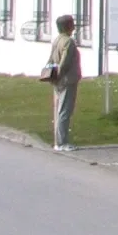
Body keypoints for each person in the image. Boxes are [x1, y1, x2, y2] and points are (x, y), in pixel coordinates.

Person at [46, 13, 82, 151]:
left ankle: (58, 141)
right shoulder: (68, 41)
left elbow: (51, 59)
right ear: (68, 26)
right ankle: (62, 142)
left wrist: (52, 76)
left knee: (58, 110)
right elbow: (65, 62)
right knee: (64, 111)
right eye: (72, 23)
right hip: (67, 80)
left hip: (57, 80)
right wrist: (60, 75)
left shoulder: (57, 40)